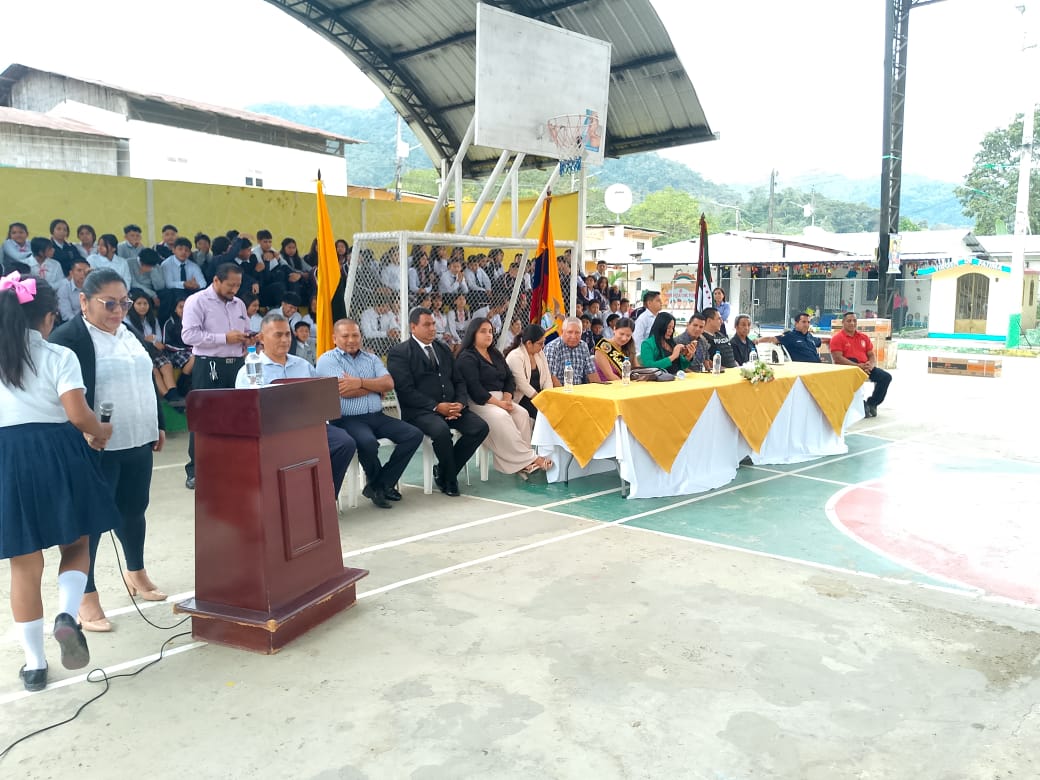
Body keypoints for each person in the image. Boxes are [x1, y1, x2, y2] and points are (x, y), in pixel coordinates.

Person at [1, 273, 118, 690]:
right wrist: (100, 431)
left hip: (7, 457)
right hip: (56, 452)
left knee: (24, 564)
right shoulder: (57, 355)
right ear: (49, 316)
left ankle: (34, 666)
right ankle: (67, 614)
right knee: (77, 542)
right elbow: (77, 413)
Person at [49, 268, 169, 632]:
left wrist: (158, 422)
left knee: (134, 511)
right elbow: (57, 396)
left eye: (124, 303)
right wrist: (79, 432)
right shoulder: (68, 338)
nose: (119, 311)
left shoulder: (128, 331)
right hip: (94, 447)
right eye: (110, 304)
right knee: (90, 523)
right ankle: (85, 595)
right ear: (84, 301)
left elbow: (145, 378)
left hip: (137, 438)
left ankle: (136, 571)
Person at [234, 312, 356, 503]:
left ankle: (324, 498)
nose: (284, 340)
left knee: (344, 442)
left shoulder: (303, 365)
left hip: (306, 425)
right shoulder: (250, 370)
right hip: (273, 431)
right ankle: (289, 502)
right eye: (278, 335)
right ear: (262, 338)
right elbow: (245, 411)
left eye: (287, 334)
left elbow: (319, 395)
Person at [314, 320, 423, 508]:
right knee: (368, 442)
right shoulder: (327, 360)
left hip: (377, 416)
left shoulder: (371, 358)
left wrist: (359, 382)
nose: (351, 340)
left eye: (355, 335)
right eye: (345, 336)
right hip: (346, 420)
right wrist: (374, 387)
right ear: (334, 338)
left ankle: (379, 485)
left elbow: (389, 383)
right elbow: (344, 391)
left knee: (413, 434)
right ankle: (381, 487)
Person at [386, 307, 489, 497]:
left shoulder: (442, 348)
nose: (433, 328)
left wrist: (459, 403)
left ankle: (444, 471)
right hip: (420, 412)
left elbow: (458, 380)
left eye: (433, 324)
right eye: (427, 325)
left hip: (451, 407)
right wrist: (436, 407)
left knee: (480, 427)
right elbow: (405, 391)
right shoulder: (400, 353)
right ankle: (449, 480)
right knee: (441, 431)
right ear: (413, 327)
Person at [181, 264, 256, 489]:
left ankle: (230, 464)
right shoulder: (197, 301)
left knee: (236, 416)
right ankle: (196, 470)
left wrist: (249, 338)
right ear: (216, 280)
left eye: (238, 285)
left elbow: (244, 330)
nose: (234, 290)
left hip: (237, 364)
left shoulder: (239, 304)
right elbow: (188, 335)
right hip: (209, 364)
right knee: (204, 417)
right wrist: (224, 338)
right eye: (230, 285)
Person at [455, 318, 550, 477]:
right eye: (483, 331)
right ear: (473, 334)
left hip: (502, 398)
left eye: (490, 331)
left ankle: (522, 464)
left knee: (522, 414)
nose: (488, 335)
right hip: (480, 402)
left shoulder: (495, 354)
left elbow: (509, 378)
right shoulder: (467, 357)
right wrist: (499, 404)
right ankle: (530, 459)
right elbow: (475, 388)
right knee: (502, 416)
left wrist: (506, 398)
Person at [124, 289, 184, 407]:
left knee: (166, 365)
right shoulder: (127, 320)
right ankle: (168, 396)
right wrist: (148, 340)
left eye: (145, 303)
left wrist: (150, 340)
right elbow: (132, 340)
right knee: (153, 369)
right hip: (138, 353)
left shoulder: (152, 319)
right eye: (139, 304)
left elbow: (159, 339)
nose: (142, 307)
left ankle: (174, 393)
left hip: (154, 351)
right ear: (132, 305)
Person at [829, 312, 893, 418]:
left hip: (865, 367)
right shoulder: (837, 338)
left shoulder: (863, 337)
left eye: (854, 321)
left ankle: (872, 403)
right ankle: (859, 404)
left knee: (886, 377)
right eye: (849, 321)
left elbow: (871, 355)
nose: (852, 323)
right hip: (848, 368)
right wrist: (857, 366)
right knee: (853, 362)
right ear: (843, 322)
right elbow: (838, 358)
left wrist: (870, 365)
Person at [504, 324, 552, 419]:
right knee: (543, 414)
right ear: (529, 343)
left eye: (544, 342)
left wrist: (548, 396)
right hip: (523, 398)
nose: (543, 346)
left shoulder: (540, 353)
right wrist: (540, 399)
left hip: (539, 395)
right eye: (540, 343)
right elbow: (521, 384)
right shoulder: (515, 356)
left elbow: (547, 377)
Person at [543, 317, 602, 386]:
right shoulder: (553, 347)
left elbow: (591, 372)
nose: (573, 336)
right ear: (562, 332)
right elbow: (551, 378)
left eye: (577, 333)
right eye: (570, 332)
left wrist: (599, 389)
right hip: (559, 390)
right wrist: (567, 393)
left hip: (579, 390)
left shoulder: (583, 346)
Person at [593, 316, 638, 381]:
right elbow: (610, 376)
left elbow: (636, 368)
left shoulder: (629, 346)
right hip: (608, 385)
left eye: (628, 335)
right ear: (614, 329)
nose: (624, 338)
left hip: (627, 383)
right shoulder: (603, 347)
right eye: (621, 334)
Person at [56, 258, 90, 324]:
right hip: (74, 324)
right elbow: (67, 315)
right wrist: (83, 324)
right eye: (79, 270)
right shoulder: (64, 289)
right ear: (71, 273)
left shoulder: (94, 288)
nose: (83, 274)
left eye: (85, 271)